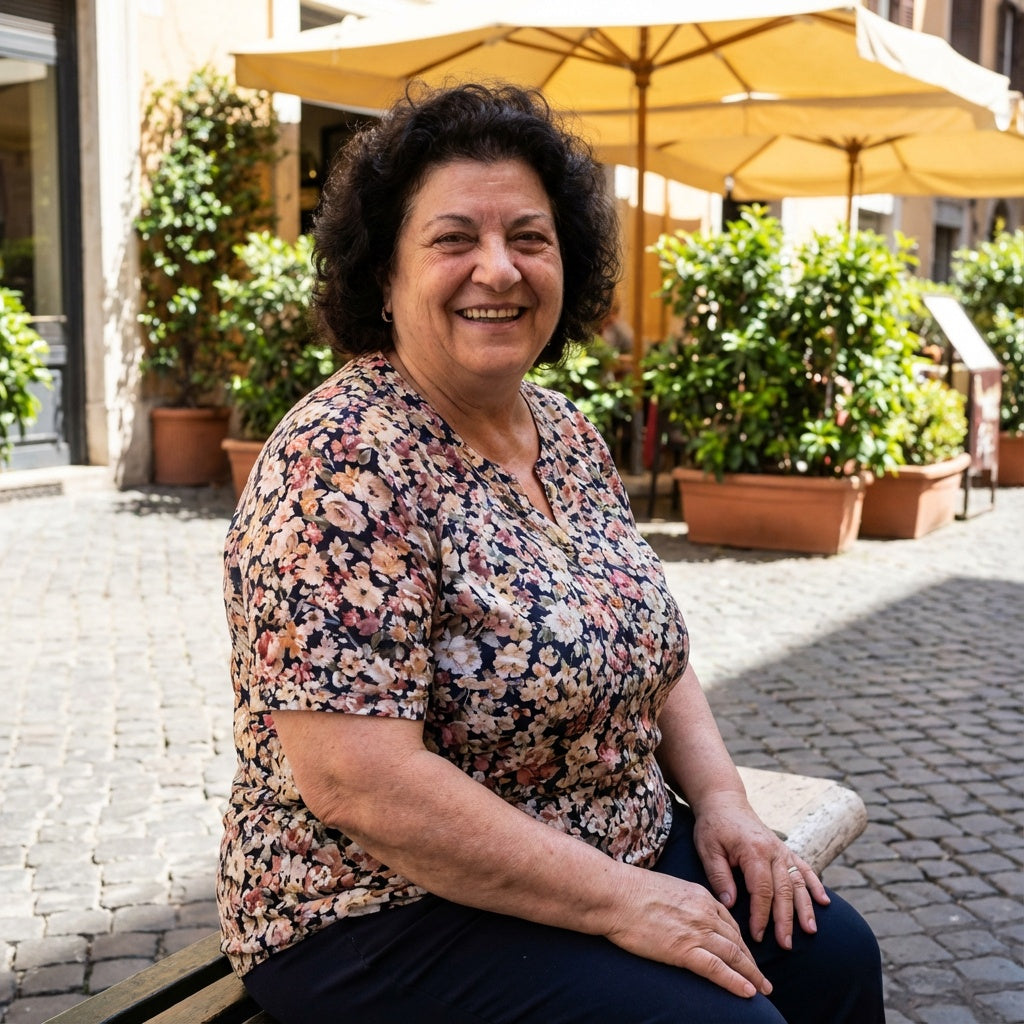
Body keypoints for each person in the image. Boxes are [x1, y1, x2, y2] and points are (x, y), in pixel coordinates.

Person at [217, 81, 885, 1024]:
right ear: (384, 277)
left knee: (839, 958)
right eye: (454, 239)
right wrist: (624, 901)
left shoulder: (564, 431)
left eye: (529, 238)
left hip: (607, 845)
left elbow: (652, 650)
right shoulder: (340, 459)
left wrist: (725, 804)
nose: (499, 269)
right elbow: (360, 784)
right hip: (379, 905)